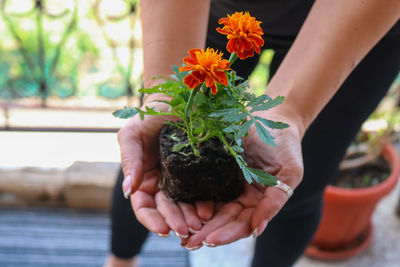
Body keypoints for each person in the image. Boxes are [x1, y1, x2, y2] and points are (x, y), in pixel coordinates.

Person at [105, 0, 400, 266]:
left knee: (298, 182)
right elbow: (165, 112)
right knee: (154, 146)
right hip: (215, 10)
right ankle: (121, 260)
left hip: (363, 20)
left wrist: (291, 113)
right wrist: (165, 98)